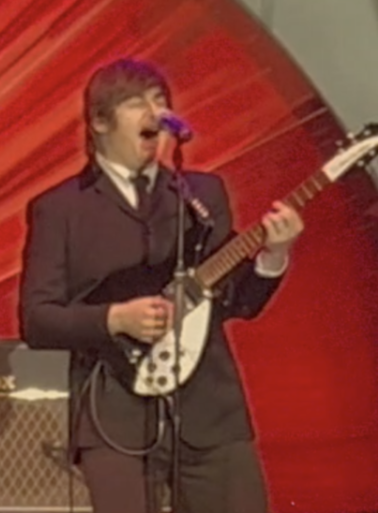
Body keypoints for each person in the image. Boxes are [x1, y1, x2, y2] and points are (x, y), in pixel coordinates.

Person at [18, 58, 302, 513]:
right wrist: (115, 318)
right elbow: (38, 319)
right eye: (136, 103)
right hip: (114, 412)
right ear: (99, 122)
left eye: (159, 100)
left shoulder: (201, 196)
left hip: (209, 409)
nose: (154, 112)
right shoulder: (60, 209)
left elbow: (236, 301)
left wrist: (274, 254)